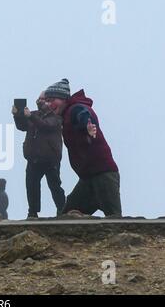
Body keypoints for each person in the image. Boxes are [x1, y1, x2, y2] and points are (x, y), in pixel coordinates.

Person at [44, 79, 122, 217]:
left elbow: (83, 114)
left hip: (104, 175)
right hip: (87, 178)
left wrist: (87, 125)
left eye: (52, 100)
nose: (49, 104)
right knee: (66, 217)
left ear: (63, 99)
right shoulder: (64, 116)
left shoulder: (75, 108)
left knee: (114, 220)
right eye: (47, 101)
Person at [12, 92, 65, 218]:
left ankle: (62, 210)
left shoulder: (56, 118)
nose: (39, 101)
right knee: (31, 186)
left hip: (50, 159)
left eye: (43, 100)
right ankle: (33, 212)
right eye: (39, 99)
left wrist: (30, 116)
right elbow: (23, 127)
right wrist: (17, 116)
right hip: (33, 158)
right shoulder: (34, 115)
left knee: (55, 185)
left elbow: (45, 125)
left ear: (49, 102)